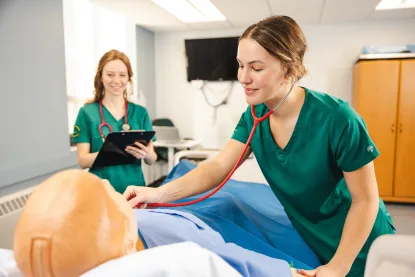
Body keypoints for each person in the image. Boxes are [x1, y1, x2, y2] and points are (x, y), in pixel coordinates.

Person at [123, 16, 396, 277]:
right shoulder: (254, 116)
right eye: (240, 65)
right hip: (311, 240)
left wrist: (339, 266)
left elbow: (366, 200)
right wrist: (157, 193)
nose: (243, 77)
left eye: (256, 68)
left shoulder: (337, 119)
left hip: (362, 245)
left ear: (289, 68)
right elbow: (219, 166)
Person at [12, 169, 305, 277]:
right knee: (234, 199)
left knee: (184, 174)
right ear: (127, 245)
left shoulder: (120, 225)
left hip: (165, 202)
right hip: (204, 213)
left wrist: (158, 193)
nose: (107, 183)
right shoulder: (179, 249)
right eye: (109, 194)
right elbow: (236, 259)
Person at [72, 49, 157, 193]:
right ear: (101, 77)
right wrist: (112, 152)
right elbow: (82, 160)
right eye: (110, 75)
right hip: (100, 191)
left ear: (128, 78)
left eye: (122, 75)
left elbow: (151, 159)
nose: (116, 81)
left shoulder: (140, 113)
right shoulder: (86, 113)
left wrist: (146, 154)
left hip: (135, 190)